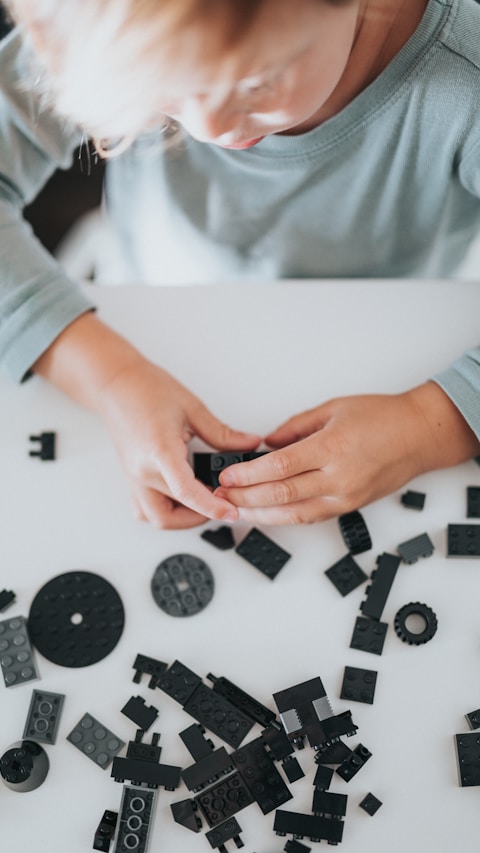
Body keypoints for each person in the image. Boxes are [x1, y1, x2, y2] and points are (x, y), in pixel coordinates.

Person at [0, 0, 479, 530]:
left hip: (390, 340)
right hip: (153, 312)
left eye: (257, 83)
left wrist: (432, 425)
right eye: (161, 94)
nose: (210, 129)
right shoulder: (101, 22)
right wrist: (110, 378)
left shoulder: (465, 80)